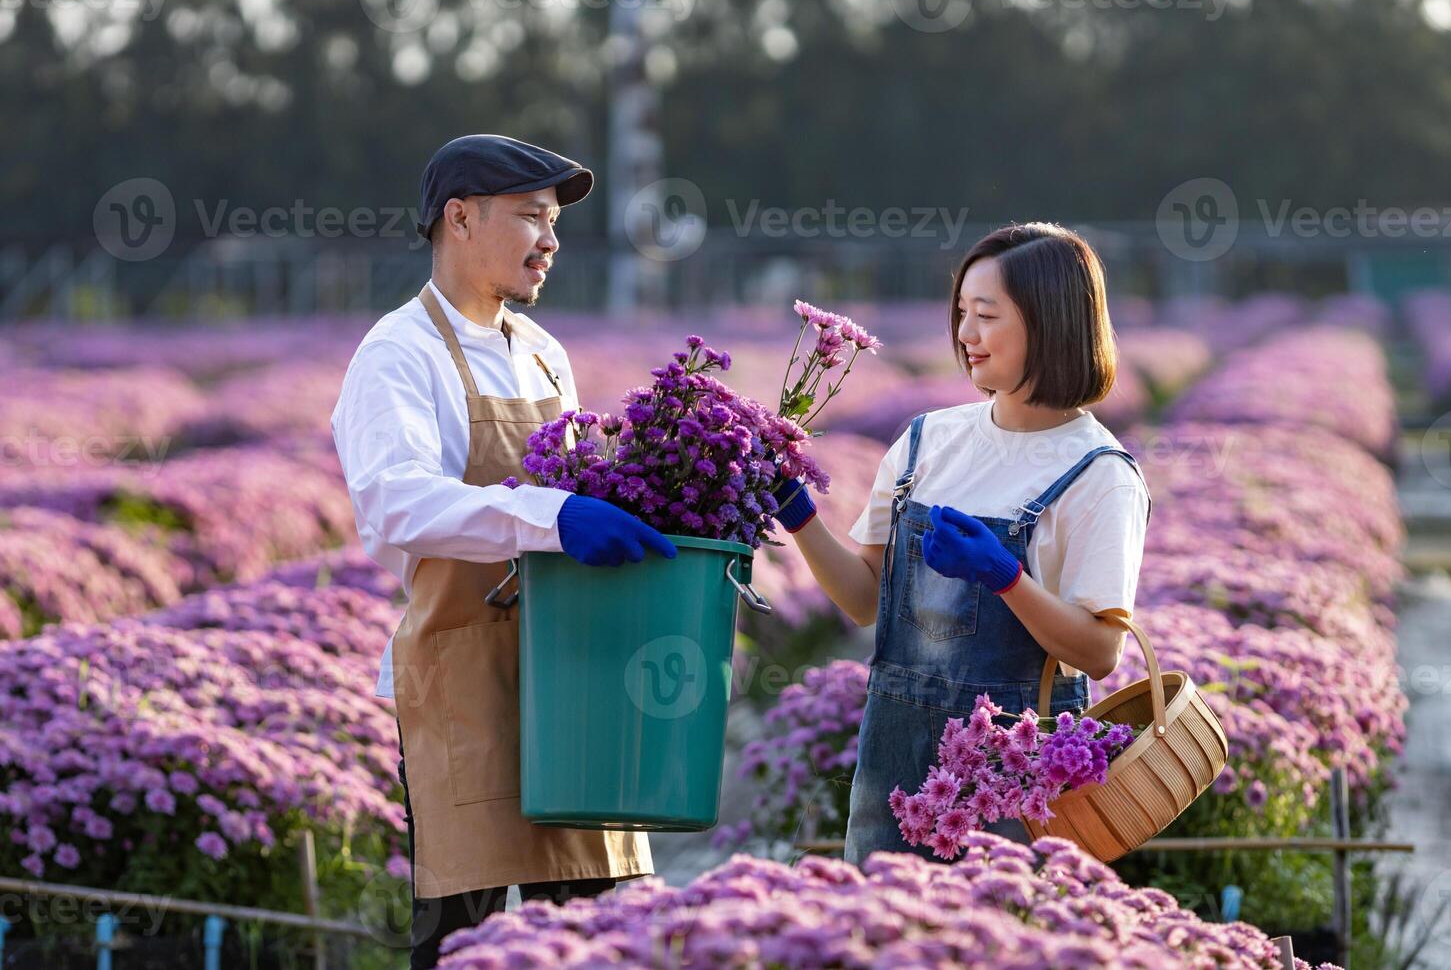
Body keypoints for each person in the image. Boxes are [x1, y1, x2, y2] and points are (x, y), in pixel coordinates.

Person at [330, 134, 676, 968]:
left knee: (591, 929)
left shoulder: (543, 353)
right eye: (530, 218)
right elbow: (394, 500)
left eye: (552, 221)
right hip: (463, 682)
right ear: (459, 218)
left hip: (574, 672)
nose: (550, 241)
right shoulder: (398, 354)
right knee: (463, 934)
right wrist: (552, 518)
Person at [770, 222, 1152, 867]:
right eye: (961, 314)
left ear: (1052, 324)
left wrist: (1007, 578)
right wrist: (796, 510)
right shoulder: (927, 440)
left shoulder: (1097, 472)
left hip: (1016, 772)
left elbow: (1098, 651)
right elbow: (866, 602)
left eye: (987, 316)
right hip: (894, 755)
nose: (965, 335)